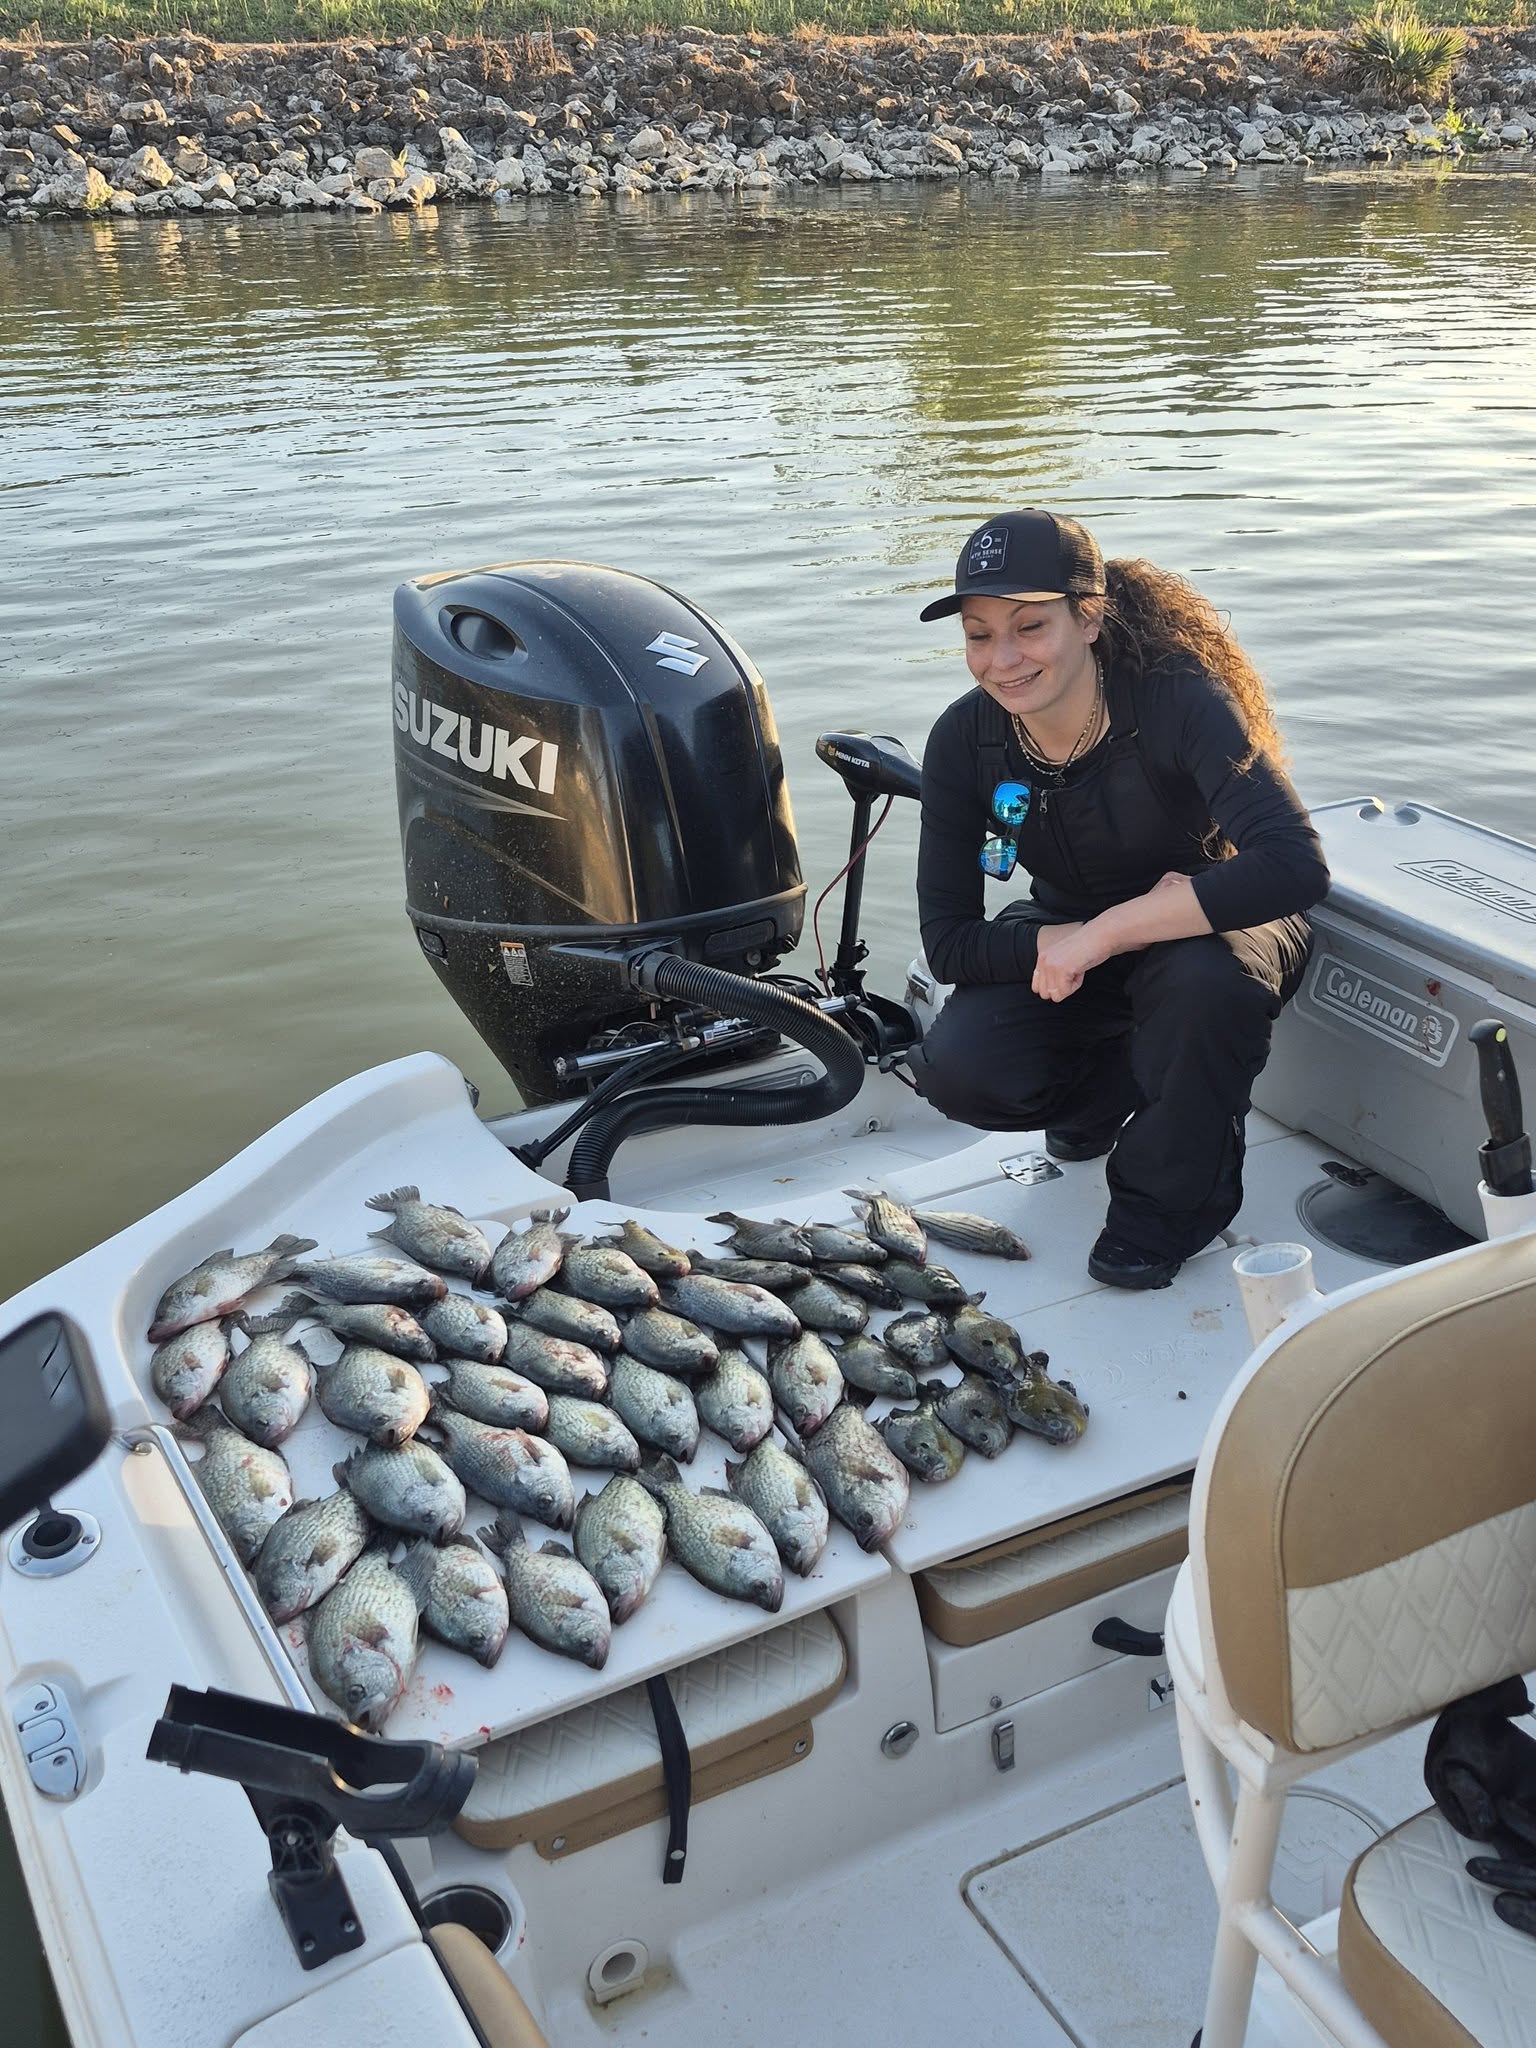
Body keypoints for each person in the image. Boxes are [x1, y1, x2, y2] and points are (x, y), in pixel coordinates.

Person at [907, 508, 1329, 1290]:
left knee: (1199, 988)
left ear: (1089, 617)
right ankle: (1112, 1094)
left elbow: (1294, 867)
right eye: (979, 634)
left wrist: (1111, 932)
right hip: (1068, 919)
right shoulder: (964, 740)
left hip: (1220, 915)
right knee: (959, 1069)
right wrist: (1089, 934)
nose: (1002, 659)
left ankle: (1164, 1214)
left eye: (1031, 627)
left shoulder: (1179, 700)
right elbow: (951, 941)